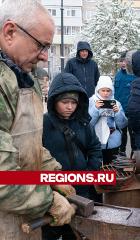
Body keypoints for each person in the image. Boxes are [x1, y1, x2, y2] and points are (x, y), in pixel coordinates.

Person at [0, 0, 75, 238]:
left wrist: (51, 172)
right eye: (41, 45)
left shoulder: (19, 74)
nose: (44, 56)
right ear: (10, 32)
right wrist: (47, 201)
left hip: (17, 220)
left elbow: (24, 141)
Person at [42, 72, 102, 240]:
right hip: (53, 191)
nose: (69, 107)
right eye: (64, 102)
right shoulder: (43, 125)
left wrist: (90, 171)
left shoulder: (84, 124)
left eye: (73, 102)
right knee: (50, 232)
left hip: (80, 189)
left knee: (75, 233)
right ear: (53, 101)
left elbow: (95, 148)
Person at [89, 76, 128, 165]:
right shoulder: (91, 102)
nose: (106, 93)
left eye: (108, 90)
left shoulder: (116, 103)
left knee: (110, 168)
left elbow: (123, 125)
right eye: (103, 90)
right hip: (94, 141)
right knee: (95, 168)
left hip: (112, 142)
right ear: (98, 90)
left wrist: (117, 113)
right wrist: (95, 109)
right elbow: (88, 124)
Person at [114, 51, 136, 156]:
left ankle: (134, 155)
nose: (123, 63)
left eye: (125, 61)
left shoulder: (134, 75)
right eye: (121, 61)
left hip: (131, 111)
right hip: (119, 112)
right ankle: (121, 154)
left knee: (133, 135)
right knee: (121, 135)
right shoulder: (118, 75)